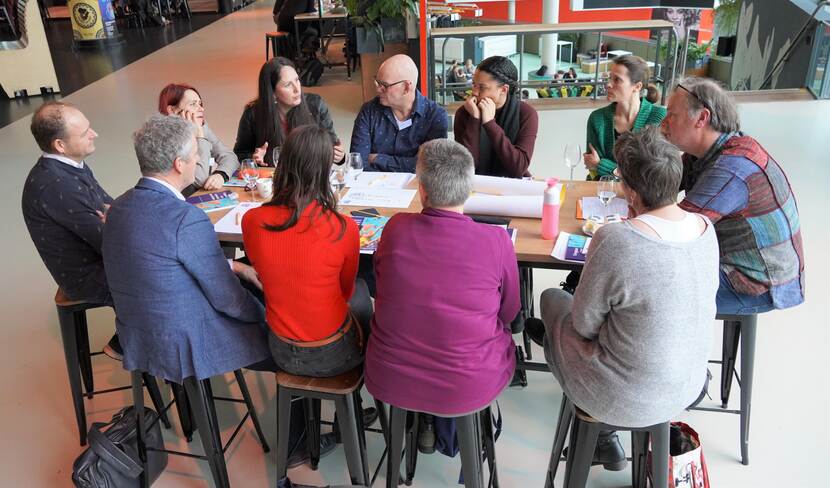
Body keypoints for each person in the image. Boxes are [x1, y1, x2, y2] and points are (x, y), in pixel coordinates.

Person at [528, 127, 719, 470]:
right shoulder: (706, 228)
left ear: (629, 190)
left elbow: (585, 325)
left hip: (622, 396)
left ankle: (561, 359)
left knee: (553, 298)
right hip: (688, 383)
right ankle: (567, 358)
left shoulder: (617, 238)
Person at [365, 138, 520, 422]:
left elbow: (381, 285)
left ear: (422, 191)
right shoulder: (496, 240)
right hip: (470, 385)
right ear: (470, 189)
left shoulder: (395, 228)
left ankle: (426, 425)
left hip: (392, 378)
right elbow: (509, 312)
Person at [661, 77, 805, 314]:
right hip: (734, 261)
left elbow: (677, 230)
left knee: (649, 288)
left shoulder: (731, 167)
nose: (664, 122)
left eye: (671, 115)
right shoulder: (705, 152)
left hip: (756, 281)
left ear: (702, 118)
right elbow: (656, 186)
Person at [242, 124, 373, 377]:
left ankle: (301, 413)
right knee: (361, 290)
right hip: (333, 352)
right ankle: (350, 410)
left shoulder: (253, 220)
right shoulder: (343, 227)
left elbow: (264, 271)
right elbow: (344, 291)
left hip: (280, 349)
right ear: (325, 171)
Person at [22, 101, 121, 360]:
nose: (94, 133)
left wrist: (112, 218)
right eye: (85, 131)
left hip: (96, 255)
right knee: (162, 273)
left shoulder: (70, 165)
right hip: (86, 274)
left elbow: (110, 207)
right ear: (60, 145)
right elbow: (109, 242)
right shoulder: (57, 185)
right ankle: (131, 342)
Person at [235, 57, 344, 167]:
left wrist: (339, 156)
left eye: (297, 80)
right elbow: (239, 153)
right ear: (272, 93)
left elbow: (333, 147)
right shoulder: (253, 114)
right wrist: (253, 158)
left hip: (308, 176)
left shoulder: (316, 105)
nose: (297, 89)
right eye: (287, 85)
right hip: (272, 178)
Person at [350, 54, 448, 173]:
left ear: (406, 87)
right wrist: (412, 162)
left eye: (385, 85)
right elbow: (357, 163)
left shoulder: (434, 116)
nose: (378, 89)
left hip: (417, 188)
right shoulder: (369, 111)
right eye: (377, 82)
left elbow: (432, 167)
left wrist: (378, 159)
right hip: (374, 186)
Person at [453, 55, 538, 178]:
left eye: (482, 87)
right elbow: (465, 168)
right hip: (475, 186)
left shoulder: (526, 114)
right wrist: (475, 119)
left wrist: (490, 124)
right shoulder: (465, 112)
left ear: (503, 89)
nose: (475, 92)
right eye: (474, 84)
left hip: (512, 186)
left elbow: (519, 167)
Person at [583, 55, 665, 180]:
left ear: (637, 87)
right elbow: (593, 170)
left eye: (617, 80)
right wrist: (599, 167)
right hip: (600, 192)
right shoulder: (597, 118)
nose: (608, 84)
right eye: (610, 78)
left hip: (641, 197)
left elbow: (650, 175)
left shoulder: (658, 117)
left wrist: (602, 165)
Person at [158, 83, 239, 191]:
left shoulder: (200, 125)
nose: (201, 109)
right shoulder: (163, 136)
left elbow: (230, 156)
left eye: (200, 104)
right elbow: (199, 179)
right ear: (172, 110)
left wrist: (221, 174)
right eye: (193, 104)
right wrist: (200, 137)